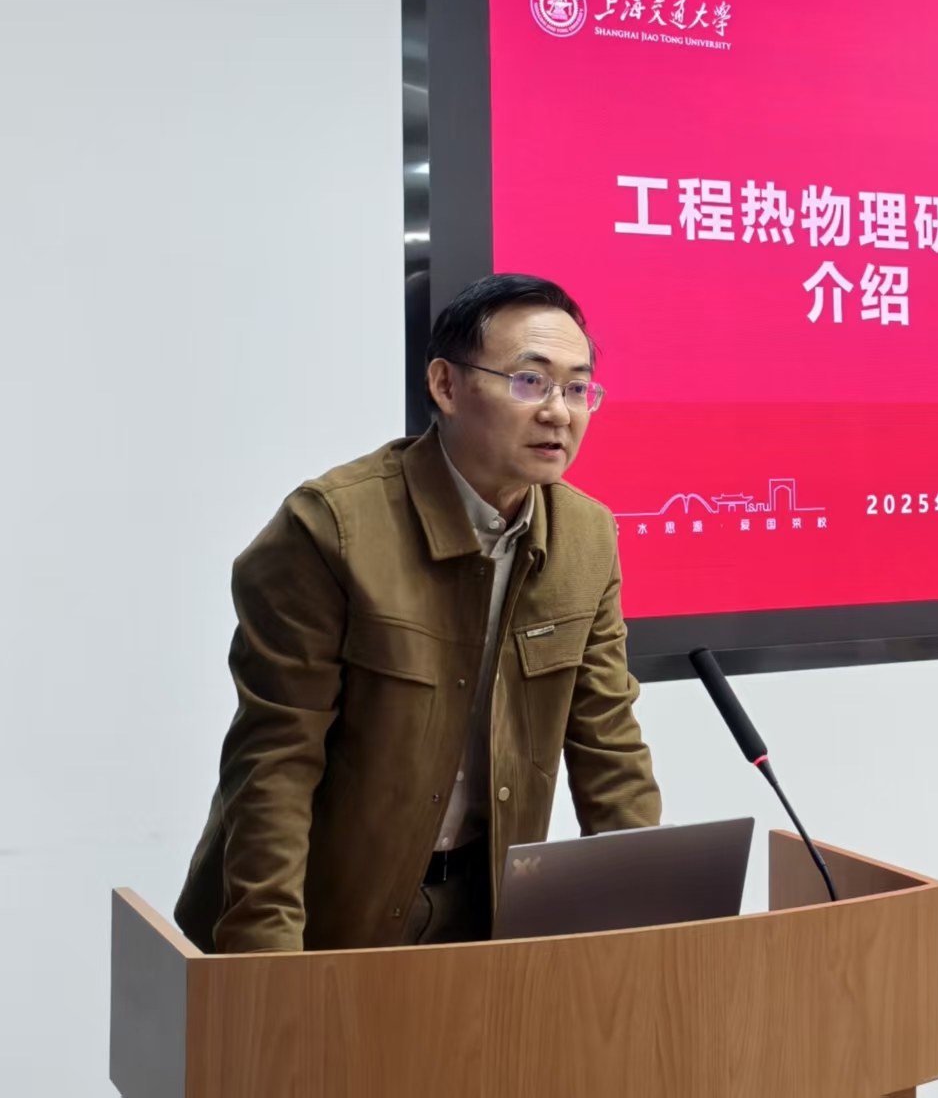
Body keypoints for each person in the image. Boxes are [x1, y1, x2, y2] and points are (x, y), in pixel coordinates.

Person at [175, 274, 661, 953]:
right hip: (326, 910)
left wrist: (651, 923)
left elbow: (608, 743)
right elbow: (276, 764)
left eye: (577, 388)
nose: (559, 412)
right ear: (445, 385)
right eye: (530, 381)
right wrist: (267, 968)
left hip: (488, 908)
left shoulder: (587, 536)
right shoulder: (330, 528)